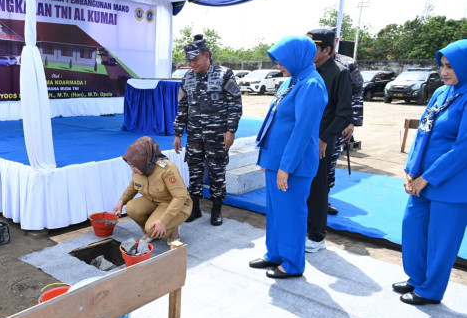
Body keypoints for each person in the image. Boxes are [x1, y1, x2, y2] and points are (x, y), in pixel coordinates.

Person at [395, 39, 467, 305]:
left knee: (441, 242)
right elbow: (422, 134)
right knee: (412, 228)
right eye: (442, 66)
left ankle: (431, 290)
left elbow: (463, 149)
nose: (445, 71)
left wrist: (427, 178)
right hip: (421, 180)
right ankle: (416, 278)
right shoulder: (440, 93)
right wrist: (411, 171)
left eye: (451, 66)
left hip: (453, 185)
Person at [248, 35, 328, 278]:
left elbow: (302, 131)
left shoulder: (311, 85)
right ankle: (274, 254)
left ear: (296, 57)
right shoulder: (291, 81)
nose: (277, 66)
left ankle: (292, 263)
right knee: (274, 211)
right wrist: (267, 158)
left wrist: (285, 167)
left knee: (291, 214)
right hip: (276, 161)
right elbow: (275, 120)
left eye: (281, 61)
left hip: (293, 166)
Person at [173, 34, 243, 226]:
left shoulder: (224, 74)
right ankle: (194, 208)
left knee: (217, 171)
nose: (192, 64)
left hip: (217, 135)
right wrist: (178, 133)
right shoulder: (187, 77)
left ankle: (216, 208)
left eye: (195, 59)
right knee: (194, 170)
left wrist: (231, 130)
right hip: (194, 134)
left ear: (206, 55)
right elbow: (183, 106)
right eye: (189, 60)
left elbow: (235, 104)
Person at [305, 28, 353, 252]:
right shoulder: (305, 69)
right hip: (302, 139)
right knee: (301, 186)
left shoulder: (339, 73)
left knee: (317, 188)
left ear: (327, 49)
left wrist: (324, 139)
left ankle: (316, 235)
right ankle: (303, 229)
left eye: (313, 46)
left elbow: (343, 113)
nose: (309, 50)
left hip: (321, 142)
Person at [114, 136, 192, 245]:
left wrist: (164, 220)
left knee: (153, 227)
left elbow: (180, 197)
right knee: (131, 208)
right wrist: (121, 202)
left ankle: (173, 230)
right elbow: (133, 184)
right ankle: (152, 232)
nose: (132, 168)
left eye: (134, 165)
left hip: (176, 204)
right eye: (130, 165)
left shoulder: (167, 169)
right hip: (154, 201)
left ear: (144, 160)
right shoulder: (140, 166)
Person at [327, 52, 364, 215]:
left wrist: (352, 121)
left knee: (330, 161)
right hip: (315, 122)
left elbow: (357, 93)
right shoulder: (309, 60)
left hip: (338, 121)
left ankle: (323, 199)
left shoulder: (347, 63)